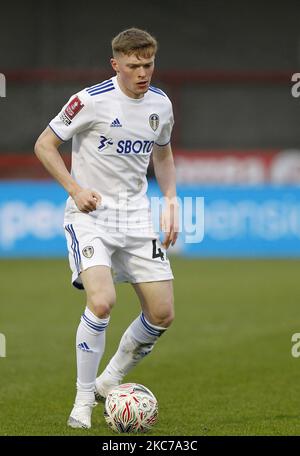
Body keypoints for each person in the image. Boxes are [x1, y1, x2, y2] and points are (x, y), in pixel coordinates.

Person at [34, 27, 178, 429]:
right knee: (102, 301)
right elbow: (44, 144)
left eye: (148, 64)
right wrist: (75, 190)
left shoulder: (161, 105)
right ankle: (82, 402)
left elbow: (163, 156)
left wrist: (170, 201)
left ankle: (108, 381)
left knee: (163, 314)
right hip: (90, 216)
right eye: (133, 66)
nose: (142, 72)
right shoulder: (89, 101)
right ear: (116, 64)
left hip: (135, 217)